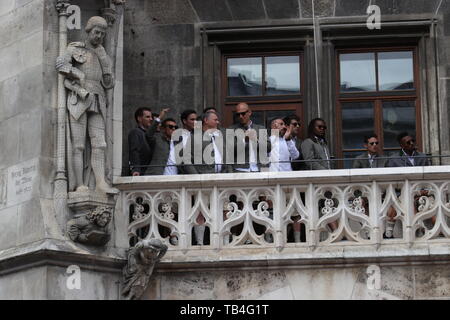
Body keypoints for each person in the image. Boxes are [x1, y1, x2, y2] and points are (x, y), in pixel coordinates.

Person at [56, 16, 117, 194]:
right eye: (97, 32)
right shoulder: (75, 48)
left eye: (103, 34)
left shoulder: (102, 54)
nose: (99, 36)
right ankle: (79, 184)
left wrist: (105, 62)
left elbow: (108, 83)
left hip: (98, 99)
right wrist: (78, 75)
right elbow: (60, 65)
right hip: (79, 98)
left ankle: (100, 182)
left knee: (100, 143)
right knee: (79, 145)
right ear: (89, 31)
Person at [383, 132, 431, 238]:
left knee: (433, 202)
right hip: (402, 193)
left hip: (422, 191)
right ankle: (415, 230)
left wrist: (425, 189)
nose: (412, 143)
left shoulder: (422, 157)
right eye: (408, 142)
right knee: (408, 200)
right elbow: (389, 181)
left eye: (413, 141)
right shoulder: (394, 159)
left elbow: (429, 177)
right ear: (402, 145)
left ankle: (441, 233)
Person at [229, 102, 270, 172]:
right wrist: (244, 141)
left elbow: (268, 148)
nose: (240, 116)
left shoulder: (260, 128)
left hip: (259, 169)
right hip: (240, 170)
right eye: (238, 114)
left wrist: (256, 140)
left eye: (243, 113)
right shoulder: (232, 129)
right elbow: (229, 150)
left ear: (249, 112)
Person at [145, 108, 181, 175]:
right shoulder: (157, 140)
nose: (173, 128)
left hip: (176, 179)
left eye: (175, 127)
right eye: (170, 126)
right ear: (163, 129)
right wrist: (159, 118)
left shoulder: (178, 144)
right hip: (157, 178)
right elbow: (149, 134)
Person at [128, 107, 153, 176]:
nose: (151, 119)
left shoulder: (148, 134)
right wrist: (136, 169)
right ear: (139, 118)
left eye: (151, 117)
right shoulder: (136, 132)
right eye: (147, 117)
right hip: (141, 174)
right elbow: (134, 151)